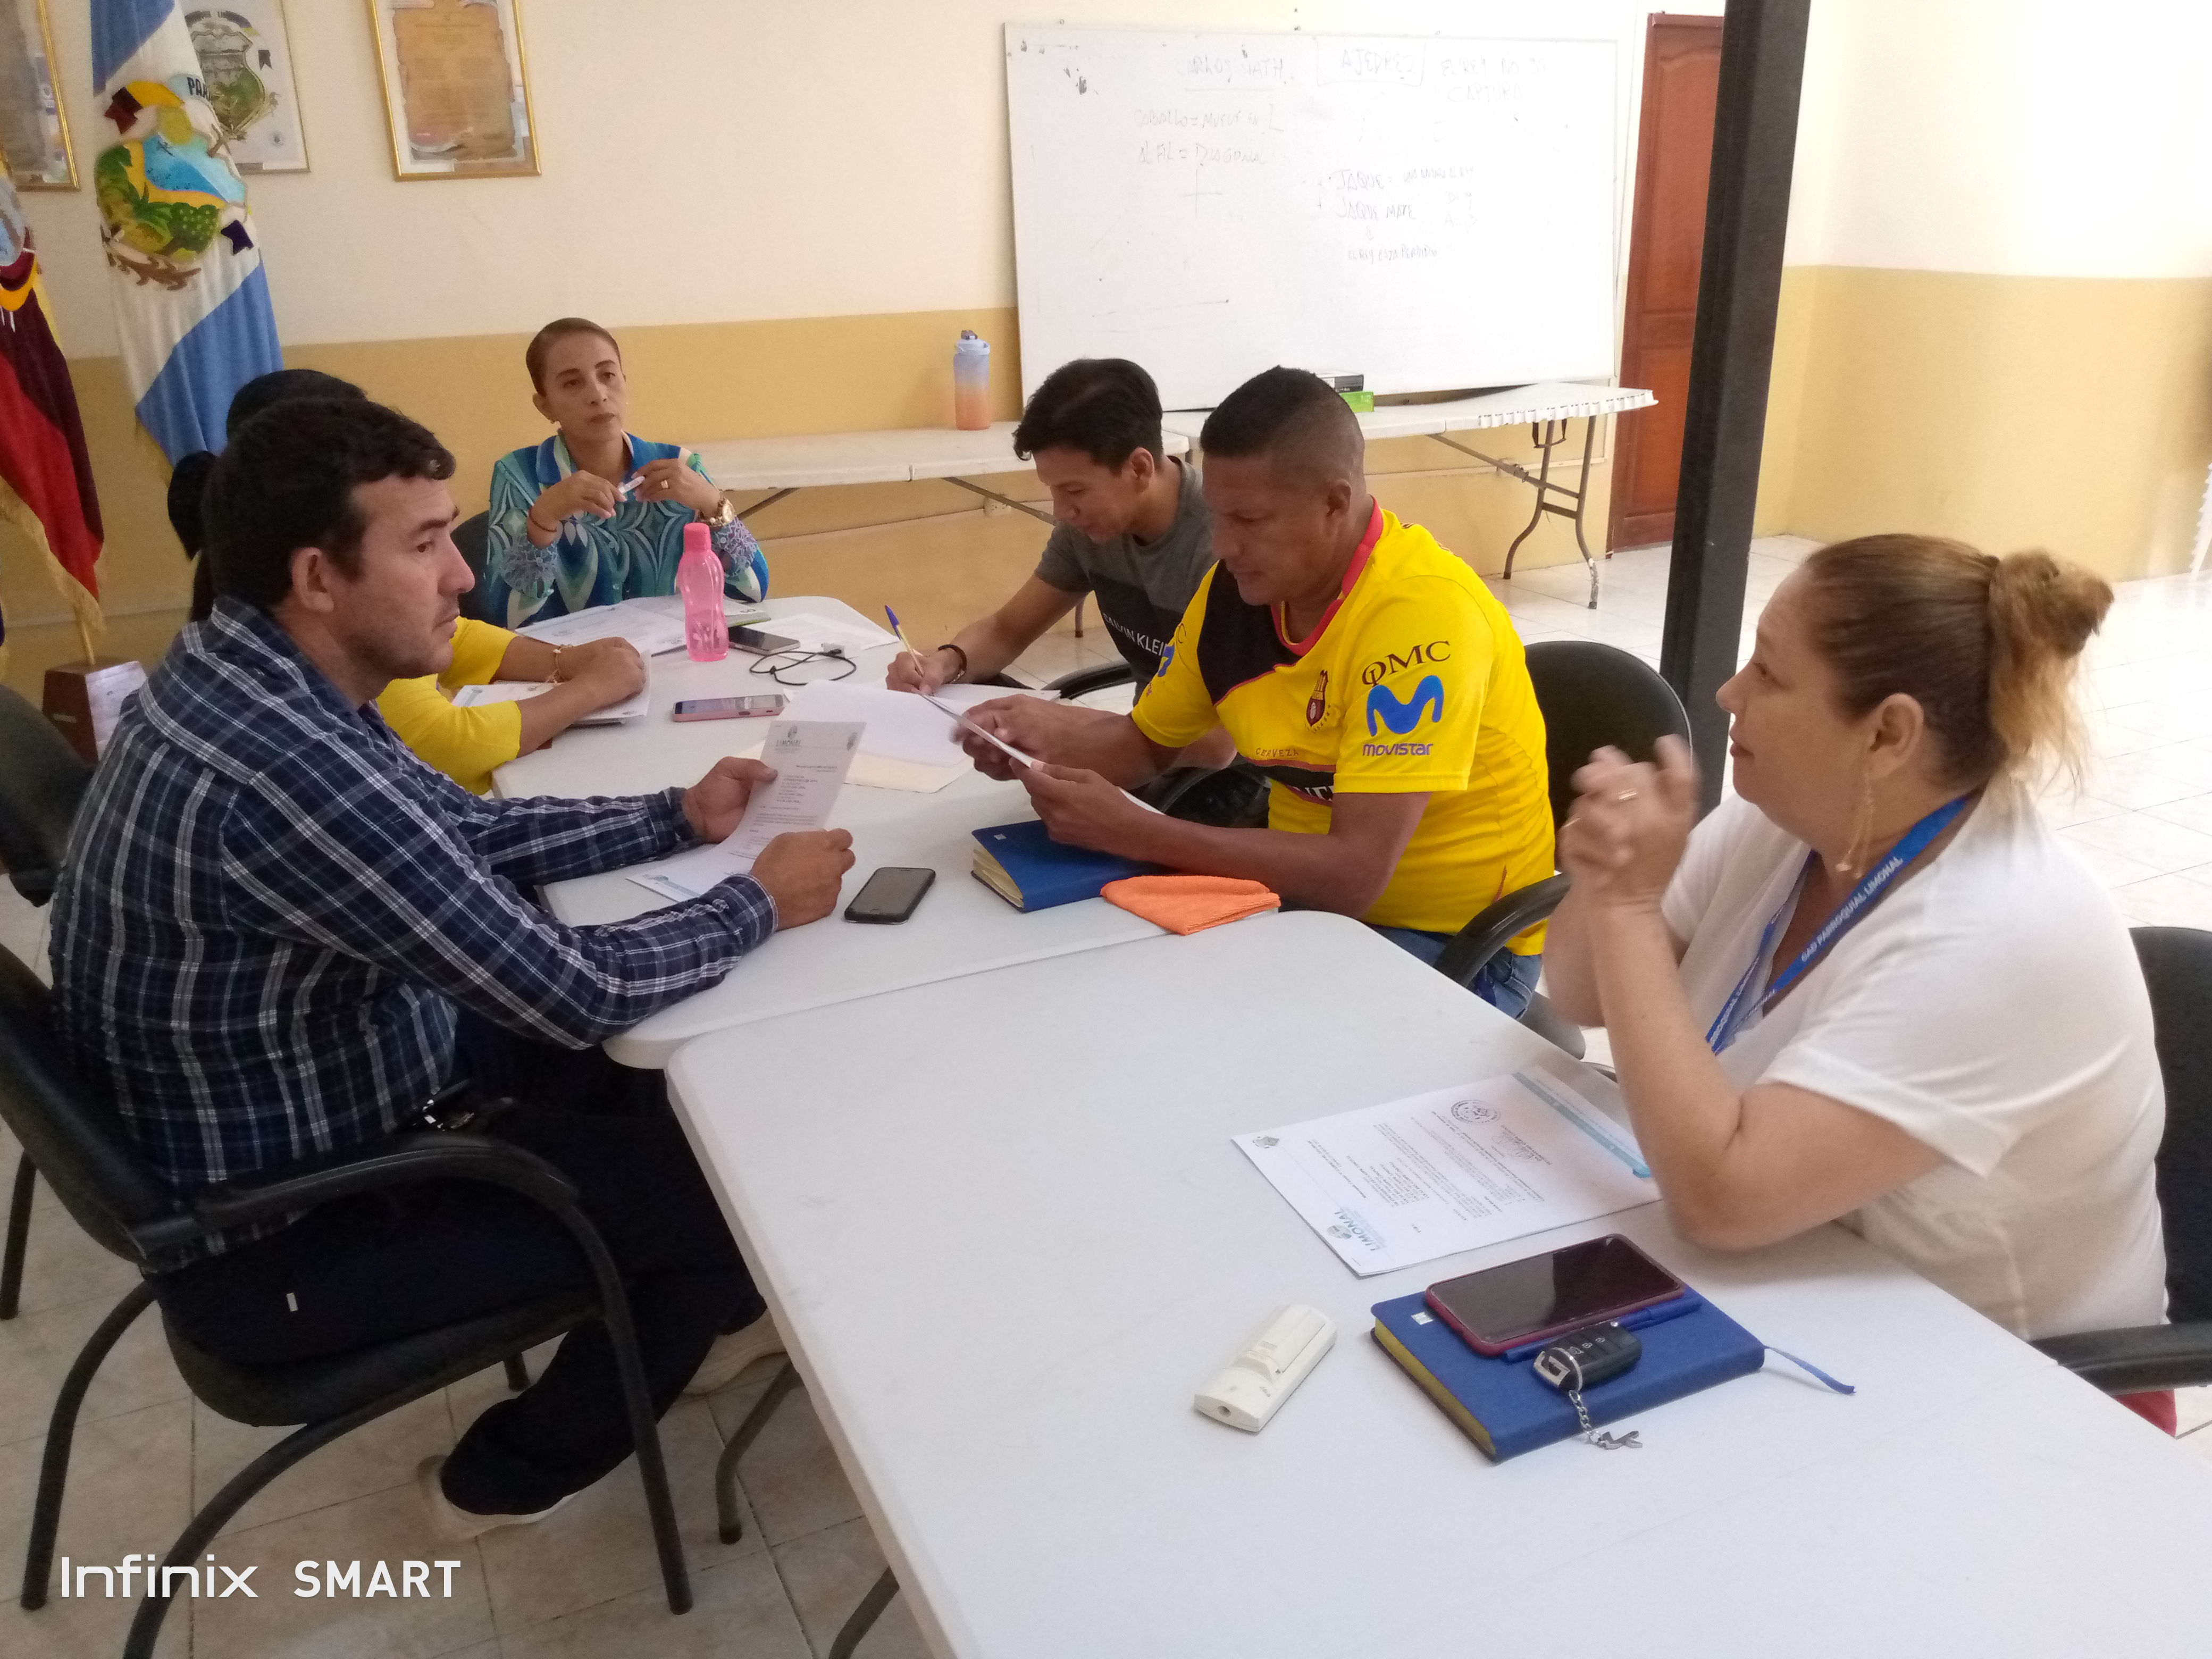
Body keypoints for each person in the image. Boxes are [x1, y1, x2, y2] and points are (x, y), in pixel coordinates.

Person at [51, 397, 856, 1536]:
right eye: (426, 544)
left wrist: (676, 815)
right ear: (318, 576)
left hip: (336, 1093)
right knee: (737, 1194)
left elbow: (459, 831)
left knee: (670, 1096)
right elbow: (574, 989)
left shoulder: (254, 673)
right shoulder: (284, 772)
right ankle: (498, 1482)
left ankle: (698, 1309)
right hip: (296, 1230)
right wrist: (757, 901)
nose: (463, 576)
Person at [1540, 534, 2168, 1417]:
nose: (1728, 694)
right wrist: (1609, 874)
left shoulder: (1999, 934)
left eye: (1769, 673)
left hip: (2018, 1394)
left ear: (1887, 734)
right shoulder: (1793, 822)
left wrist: (1631, 909)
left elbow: (1723, 1199)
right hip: (1804, 1296)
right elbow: (1579, 996)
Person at [955, 366, 1555, 1012]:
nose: (1222, 546)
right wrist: (1030, 754)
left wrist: (1137, 832)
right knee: (1116, 1003)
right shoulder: (1233, 597)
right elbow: (1143, 746)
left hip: (1455, 945)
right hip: (1302, 908)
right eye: (1216, 516)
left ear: (1334, 503)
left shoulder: (1420, 617)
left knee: (1224, 1038)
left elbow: (1353, 875)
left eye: (1248, 519)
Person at [168, 367, 645, 793]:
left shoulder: (254, 638)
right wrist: (589, 690)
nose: (464, 578)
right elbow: (445, 746)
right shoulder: (300, 748)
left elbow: (457, 636)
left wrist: (564, 660)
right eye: (422, 546)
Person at [885, 357, 1215, 700]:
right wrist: (944, 663)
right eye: (1053, 490)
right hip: (1147, 727)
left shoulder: (1222, 545)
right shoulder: (1089, 529)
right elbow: (1006, 631)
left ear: (1139, 468)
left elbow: (1222, 729)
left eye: (1075, 491)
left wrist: (1067, 725)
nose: (1061, 513)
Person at [483, 317, 770, 628]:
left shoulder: (679, 466)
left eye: (607, 375)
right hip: (570, 656)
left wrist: (713, 505)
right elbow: (506, 619)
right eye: (572, 383)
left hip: (672, 650)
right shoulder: (520, 475)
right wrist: (543, 520)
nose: (598, 394)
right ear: (545, 406)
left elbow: (753, 591)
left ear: (624, 381)